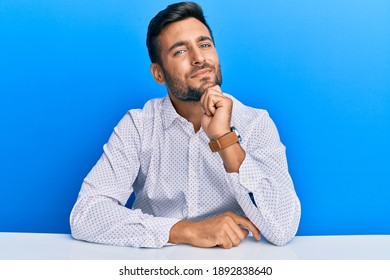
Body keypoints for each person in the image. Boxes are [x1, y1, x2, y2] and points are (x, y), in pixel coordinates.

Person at [70, 1, 301, 249]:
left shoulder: (255, 123)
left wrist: (225, 138)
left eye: (204, 45)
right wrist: (186, 231)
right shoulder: (139, 126)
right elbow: (85, 214)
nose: (199, 58)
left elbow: (283, 227)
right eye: (180, 51)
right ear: (158, 74)